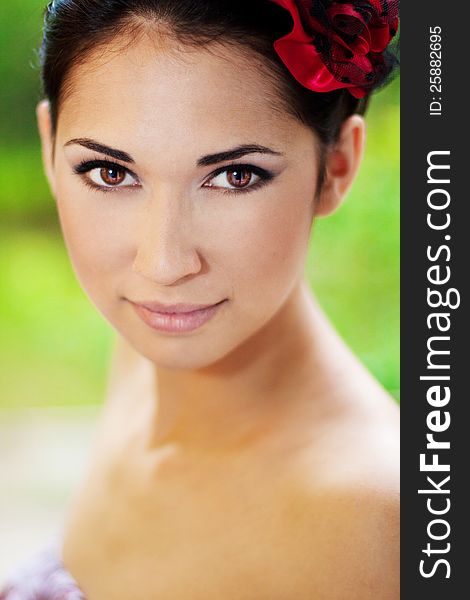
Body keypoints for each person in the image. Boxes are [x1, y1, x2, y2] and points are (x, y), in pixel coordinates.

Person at [1, 0, 400, 598]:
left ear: (338, 165)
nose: (162, 264)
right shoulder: (143, 352)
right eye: (111, 173)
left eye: (235, 176)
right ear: (49, 145)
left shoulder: (381, 524)